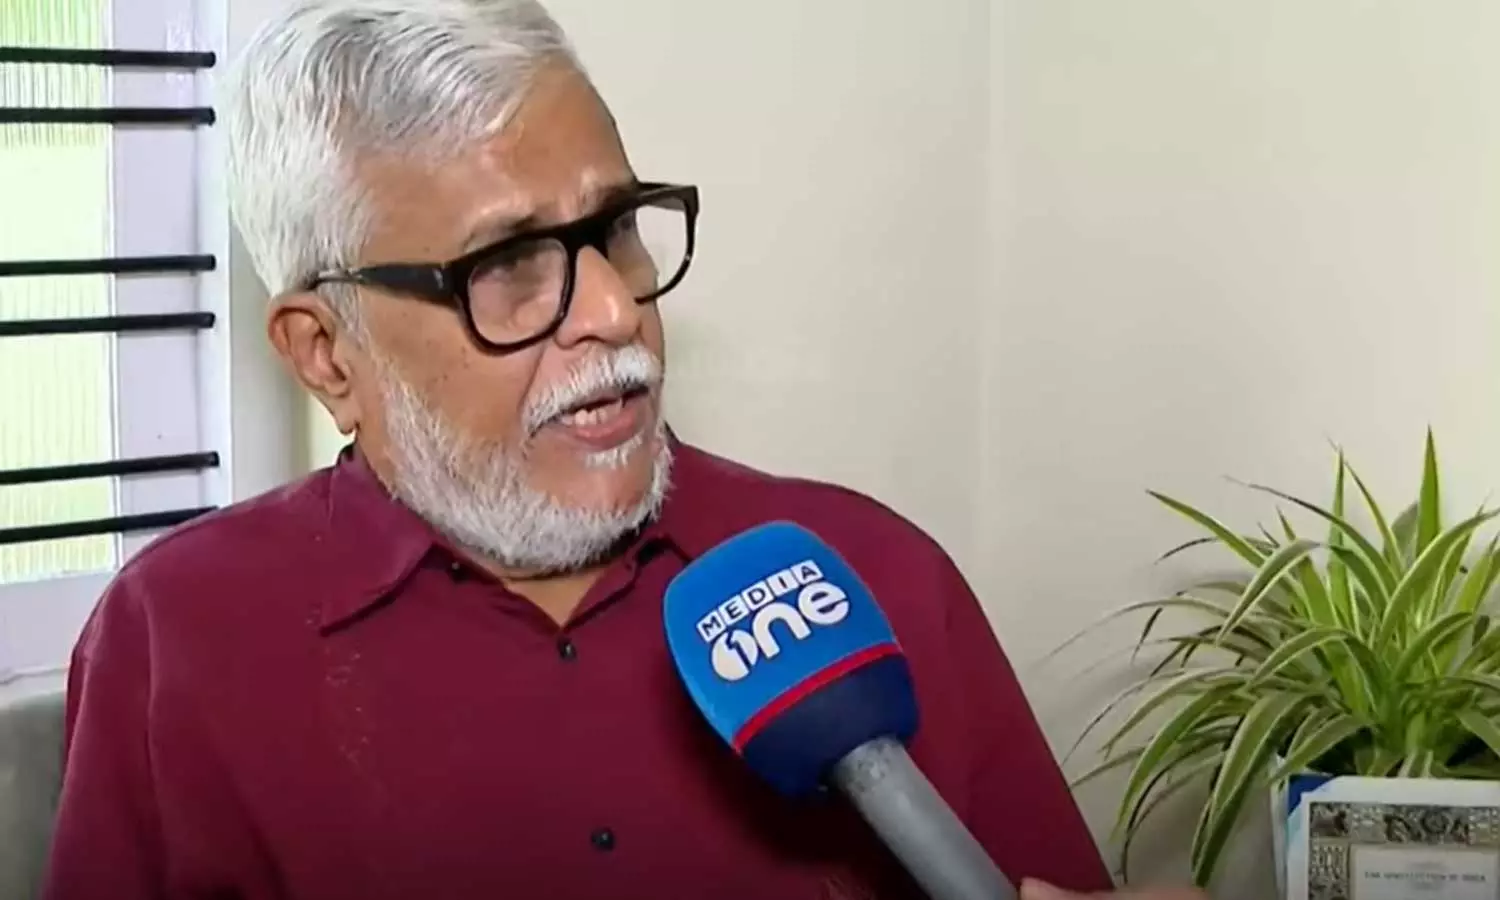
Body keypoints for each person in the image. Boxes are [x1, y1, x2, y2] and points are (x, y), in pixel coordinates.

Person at [40, 2, 1208, 898]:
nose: (614, 310)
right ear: (327, 353)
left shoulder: (875, 578)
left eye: (616, 230)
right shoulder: (177, 644)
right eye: (506, 266)